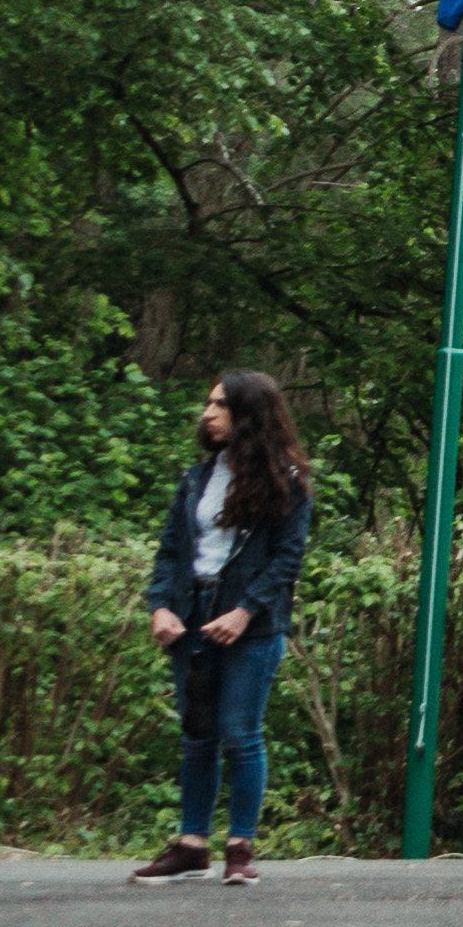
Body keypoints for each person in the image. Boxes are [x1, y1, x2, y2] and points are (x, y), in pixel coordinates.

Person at [130, 372, 314, 888]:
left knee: (240, 734)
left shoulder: (288, 482)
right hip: (191, 619)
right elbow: (171, 550)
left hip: (251, 628)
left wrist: (245, 612)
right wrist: (160, 607)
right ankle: (192, 846)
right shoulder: (196, 479)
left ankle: (239, 847)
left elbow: (286, 561)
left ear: (249, 414)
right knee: (197, 736)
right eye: (207, 403)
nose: (207, 413)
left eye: (219, 405)